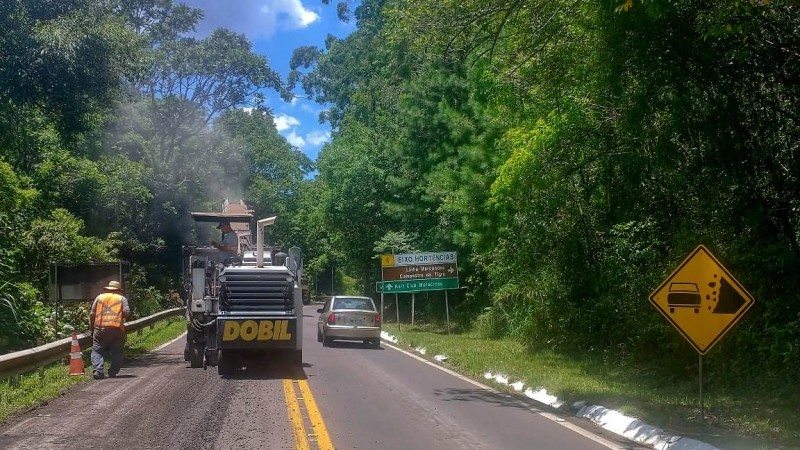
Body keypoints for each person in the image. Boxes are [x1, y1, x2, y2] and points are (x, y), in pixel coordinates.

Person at [89, 280, 131, 380]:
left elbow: (92, 314)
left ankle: (98, 371)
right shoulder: (121, 298)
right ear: (118, 290)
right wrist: (119, 315)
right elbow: (126, 313)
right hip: (116, 328)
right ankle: (113, 372)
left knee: (98, 350)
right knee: (117, 351)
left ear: (108, 289)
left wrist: (92, 328)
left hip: (100, 328)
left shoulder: (99, 297)